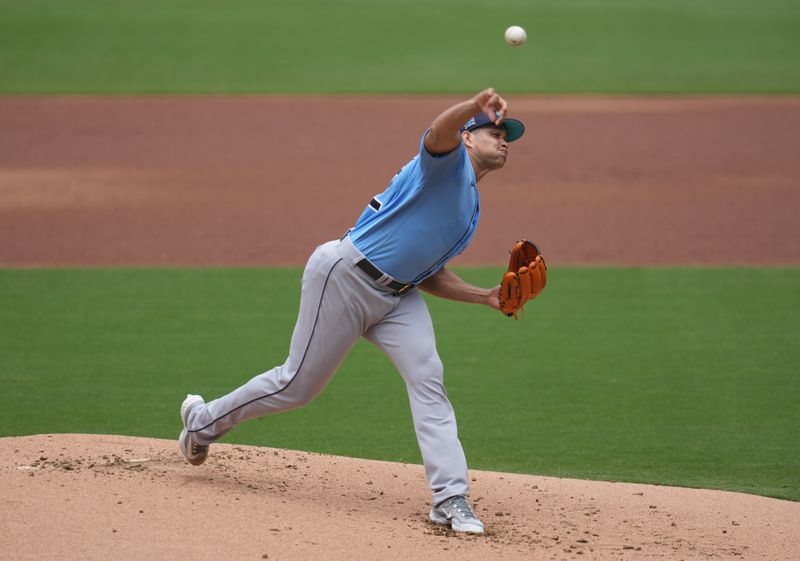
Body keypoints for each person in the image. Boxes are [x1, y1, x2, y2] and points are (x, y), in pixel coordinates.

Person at [179, 88, 525, 534]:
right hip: (343, 278)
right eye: (493, 131)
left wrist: (484, 296)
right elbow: (437, 131)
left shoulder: (470, 206)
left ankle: (450, 498)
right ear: (468, 138)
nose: (503, 139)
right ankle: (201, 423)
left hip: (398, 299)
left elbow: (425, 272)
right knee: (296, 386)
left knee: (428, 379)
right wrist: (473, 106)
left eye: (506, 135)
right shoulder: (445, 165)